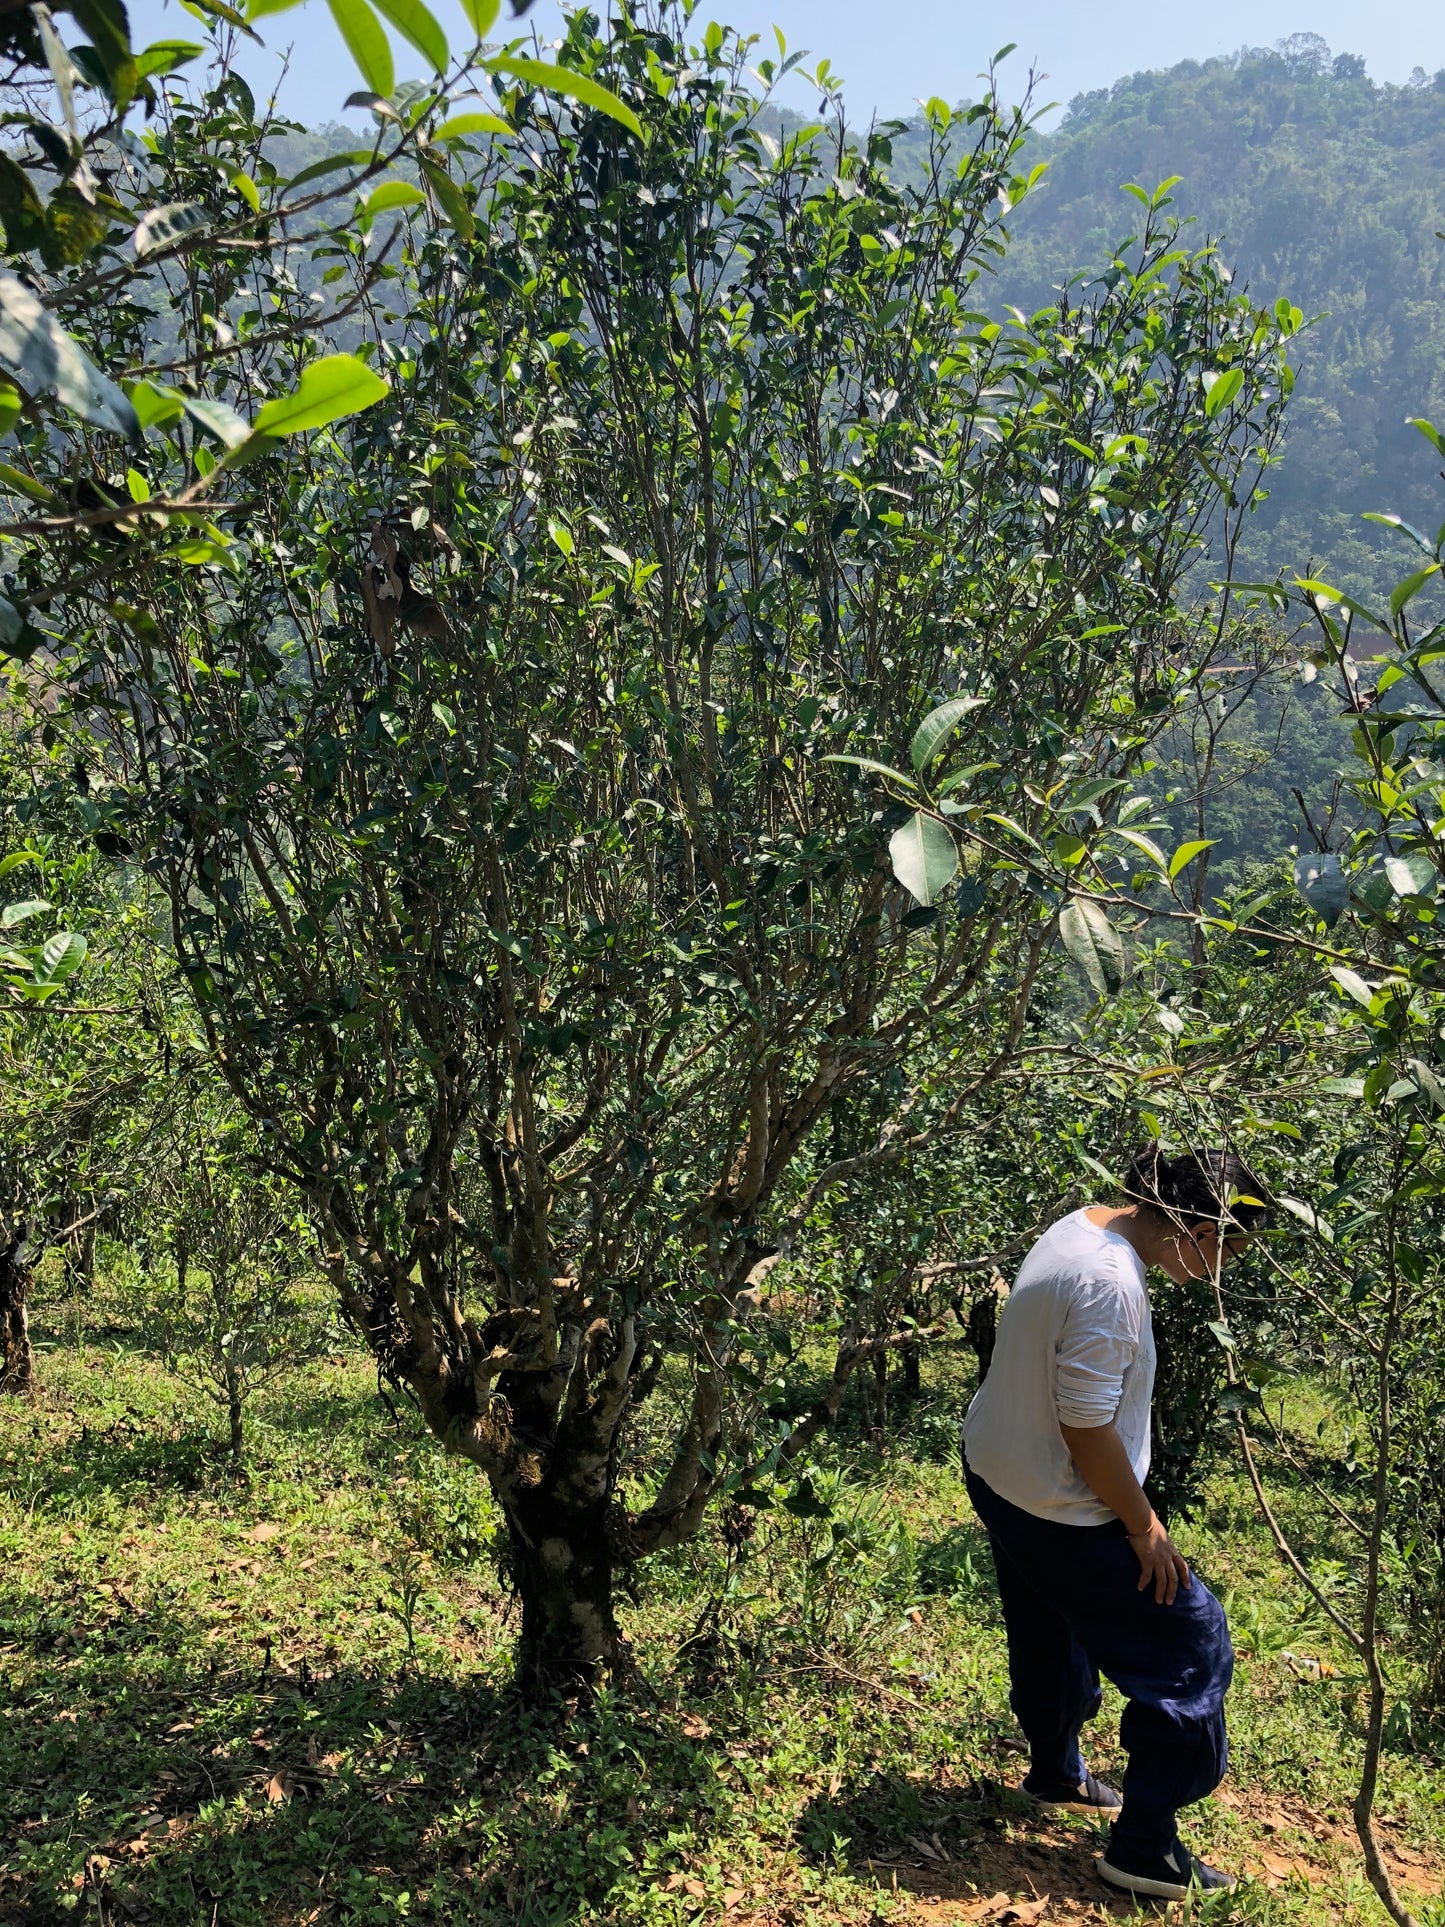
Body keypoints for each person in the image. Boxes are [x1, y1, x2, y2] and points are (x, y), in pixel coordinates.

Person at [960, 1146, 1268, 1902]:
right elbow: (1087, 1426)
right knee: (1190, 1642)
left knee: (1050, 1623)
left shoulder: (1085, 1226)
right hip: (1064, 1501)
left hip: (1003, 1472)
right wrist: (1143, 1527)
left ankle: (1055, 1769)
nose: (1225, 1266)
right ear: (1198, 1226)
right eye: (1229, 1245)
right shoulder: (1108, 1282)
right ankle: (1144, 1846)